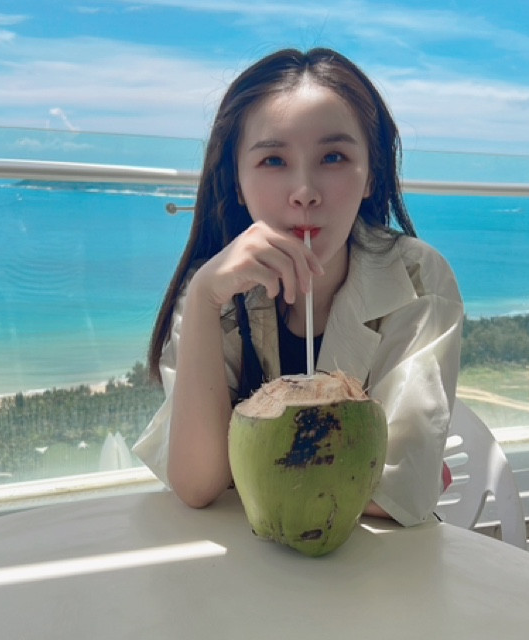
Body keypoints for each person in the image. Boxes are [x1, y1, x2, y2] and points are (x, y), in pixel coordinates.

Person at [133, 47, 463, 527]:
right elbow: (198, 483)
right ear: (237, 182)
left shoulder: (417, 278)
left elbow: (399, 492)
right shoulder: (214, 289)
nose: (305, 191)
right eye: (273, 159)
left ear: (371, 175)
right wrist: (203, 298)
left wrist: (244, 472)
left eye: (333, 157)